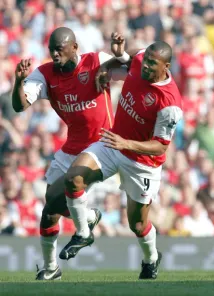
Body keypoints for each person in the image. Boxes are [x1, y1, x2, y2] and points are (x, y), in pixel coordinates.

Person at [60, 32, 183, 280]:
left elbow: (160, 146)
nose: (146, 65)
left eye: (152, 63)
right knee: (73, 179)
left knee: (137, 225)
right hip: (113, 143)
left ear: (166, 67)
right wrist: (114, 58)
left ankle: (151, 260)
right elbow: (130, 60)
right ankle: (84, 232)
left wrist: (126, 142)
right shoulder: (139, 60)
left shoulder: (169, 104)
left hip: (142, 164)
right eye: (145, 59)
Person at [12, 27, 125, 281]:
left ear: (74, 47)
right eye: (51, 48)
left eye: (59, 48)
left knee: (70, 184)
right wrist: (19, 81)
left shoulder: (95, 61)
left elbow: (131, 72)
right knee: (50, 205)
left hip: (103, 145)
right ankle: (52, 267)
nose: (54, 53)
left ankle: (83, 229)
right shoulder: (45, 74)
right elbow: (19, 106)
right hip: (72, 147)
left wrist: (121, 55)